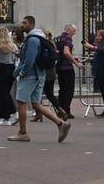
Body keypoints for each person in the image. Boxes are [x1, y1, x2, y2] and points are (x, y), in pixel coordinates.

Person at [8, 15, 71, 144]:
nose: (22, 25)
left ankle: (22, 133)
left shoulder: (32, 40)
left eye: (25, 23)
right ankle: (60, 123)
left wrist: (21, 72)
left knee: (21, 102)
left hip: (30, 75)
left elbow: (30, 59)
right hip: (39, 74)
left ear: (31, 24)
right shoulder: (39, 37)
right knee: (36, 104)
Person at [0, 27, 19, 126]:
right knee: (7, 92)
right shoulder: (13, 46)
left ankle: (6, 116)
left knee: (1, 93)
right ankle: (12, 113)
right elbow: (15, 58)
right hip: (11, 69)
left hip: (2, 69)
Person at [55, 23, 80, 120]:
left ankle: (60, 110)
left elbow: (61, 52)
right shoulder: (67, 38)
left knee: (62, 89)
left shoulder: (58, 38)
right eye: (73, 31)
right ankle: (66, 111)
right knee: (69, 89)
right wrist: (76, 63)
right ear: (68, 30)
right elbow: (66, 52)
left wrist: (73, 58)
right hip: (67, 67)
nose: (74, 33)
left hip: (59, 66)